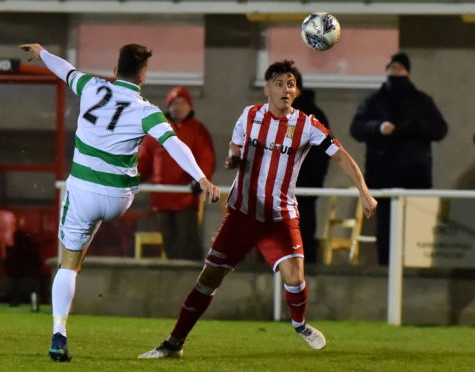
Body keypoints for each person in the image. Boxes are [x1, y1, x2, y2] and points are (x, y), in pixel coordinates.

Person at [138, 60, 377, 359]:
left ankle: (299, 323)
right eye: (279, 83)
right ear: (267, 88)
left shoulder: (307, 125)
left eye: (290, 84)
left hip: (279, 216)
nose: (285, 89)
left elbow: (341, 156)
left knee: (295, 277)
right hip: (241, 214)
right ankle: (174, 343)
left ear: (296, 90)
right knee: (208, 279)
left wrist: (364, 192)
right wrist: (233, 157)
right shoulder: (250, 115)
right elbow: (235, 144)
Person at [20, 43, 220, 362]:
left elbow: (64, 69)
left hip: (83, 192)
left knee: (68, 266)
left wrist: (42, 53)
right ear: (144, 75)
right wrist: (201, 178)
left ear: (115, 71)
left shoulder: (90, 86)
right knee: (128, 166)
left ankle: (59, 333)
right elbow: (174, 144)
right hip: (118, 198)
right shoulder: (147, 111)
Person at [350, 51, 447, 266]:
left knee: (415, 230)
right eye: (391, 68)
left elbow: (440, 129)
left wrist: (413, 128)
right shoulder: (373, 102)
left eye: (399, 68)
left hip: (415, 177)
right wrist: (379, 127)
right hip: (383, 177)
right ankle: (387, 269)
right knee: (385, 229)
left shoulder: (422, 102)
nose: (395, 72)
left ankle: (413, 270)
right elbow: (357, 128)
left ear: (408, 72)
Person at [138, 86, 216, 260]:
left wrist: (201, 179)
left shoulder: (198, 131)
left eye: (182, 103)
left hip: (186, 200)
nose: (178, 107)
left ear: (189, 106)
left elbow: (206, 158)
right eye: (174, 103)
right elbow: (144, 159)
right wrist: (132, 178)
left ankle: (191, 280)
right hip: (162, 199)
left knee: (188, 243)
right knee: (170, 246)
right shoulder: (157, 131)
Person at [292, 70, 331, 264]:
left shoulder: (312, 116)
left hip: (303, 189)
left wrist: (310, 182)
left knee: (303, 232)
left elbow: (324, 152)